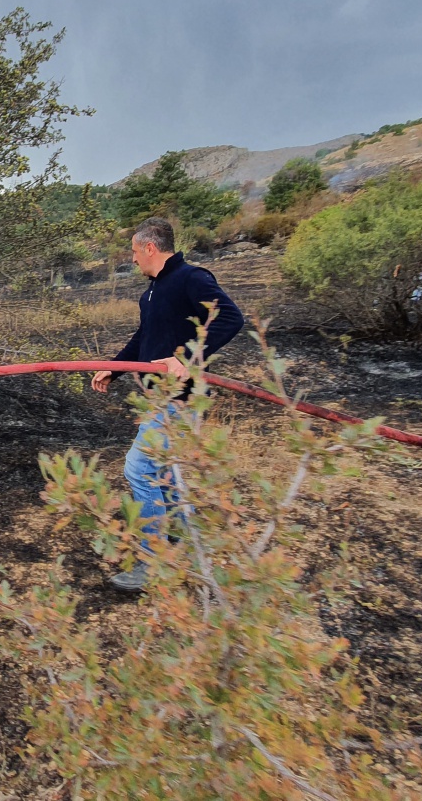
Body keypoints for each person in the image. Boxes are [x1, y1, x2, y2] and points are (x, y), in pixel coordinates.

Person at [91, 217, 244, 593]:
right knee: (167, 475)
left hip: (179, 399)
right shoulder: (151, 292)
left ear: (149, 247)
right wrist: (114, 369)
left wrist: (188, 357)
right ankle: (182, 546)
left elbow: (229, 318)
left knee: (139, 467)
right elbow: (144, 337)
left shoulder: (191, 277)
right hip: (158, 399)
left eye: (133, 250)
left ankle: (154, 560)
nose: (132, 258)